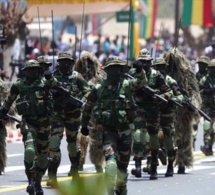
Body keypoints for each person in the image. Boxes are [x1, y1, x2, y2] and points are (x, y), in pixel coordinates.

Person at [81, 56, 147, 194]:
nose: (114, 72)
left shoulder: (127, 85)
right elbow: (87, 107)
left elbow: (141, 81)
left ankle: (121, 190)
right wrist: (84, 125)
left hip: (125, 132)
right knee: (111, 163)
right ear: (107, 71)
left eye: (117, 68)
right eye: (111, 69)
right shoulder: (99, 88)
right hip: (108, 132)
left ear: (121, 70)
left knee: (122, 169)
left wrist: (140, 70)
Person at [0, 60, 54, 195]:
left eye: (35, 69)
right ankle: (30, 180)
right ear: (25, 71)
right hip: (28, 122)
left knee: (43, 158)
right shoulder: (19, 85)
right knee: (29, 150)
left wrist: (50, 77)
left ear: (38, 70)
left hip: (44, 123)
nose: (32, 72)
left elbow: (56, 87)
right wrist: (2, 112)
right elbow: (9, 100)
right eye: (29, 70)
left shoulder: (44, 83)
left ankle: (38, 182)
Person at [46, 51, 90, 187]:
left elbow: (88, 92)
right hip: (57, 114)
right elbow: (44, 92)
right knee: (53, 143)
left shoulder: (77, 77)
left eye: (67, 61)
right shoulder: (53, 77)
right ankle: (52, 175)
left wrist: (80, 102)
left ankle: (75, 172)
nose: (64, 64)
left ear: (71, 63)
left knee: (72, 144)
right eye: (62, 61)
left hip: (73, 115)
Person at [131, 53, 173, 180]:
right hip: (139, 110)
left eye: (147, 62)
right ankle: (138, 165)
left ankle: (154, 166)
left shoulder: (157, 76)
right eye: (142, 62)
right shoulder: (133, 74)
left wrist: (159, 97)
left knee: (153, 139)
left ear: (151, 63)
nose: (144, 64)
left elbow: (169, 92)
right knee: (138, 135)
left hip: (153, 112)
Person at [164, 47, 201, 174]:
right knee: (168, 136)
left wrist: (193, 104)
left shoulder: (188, 74)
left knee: (184, 139)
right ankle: (168, 161)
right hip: (168, 109)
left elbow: (194, 91)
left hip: (183, 112)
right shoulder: (163, 73)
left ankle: (182, 162)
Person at [74, 51, 106, 173]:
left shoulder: (101, 77)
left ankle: (98, 163)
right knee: (81, 138)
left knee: (97, 140)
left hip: (96, 112)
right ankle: (79, 162)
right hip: (80, 111)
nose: (86, 66)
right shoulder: (76, 77)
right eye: (83, 64)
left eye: (89, 63)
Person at [152, 57, 184, 176]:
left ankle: (170, 165)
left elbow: (180, 97)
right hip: (153, 115)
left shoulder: (170, 81)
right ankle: (153, 166)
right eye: (156, 67)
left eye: (161, 67)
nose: (159, 69)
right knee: (150, 140)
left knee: (169, 143)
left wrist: (172, 99)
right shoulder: (151, 81)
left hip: (167, 116)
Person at [193, 56, 209, 150]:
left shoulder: (210, 77)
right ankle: (192, 144)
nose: (201, 66)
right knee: (194, 124)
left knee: (208, 124)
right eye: (200, 64)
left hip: (208, 104)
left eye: (203, 64)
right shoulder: (195, 77)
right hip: (197, 103)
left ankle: (207, 144)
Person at [199, 59, 215, 156]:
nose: (212, 70)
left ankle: (210, 145)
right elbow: (198, 92)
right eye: (211, 68)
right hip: (208, 106)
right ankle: (206, 144)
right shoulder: (204, 80)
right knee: (207, 125)